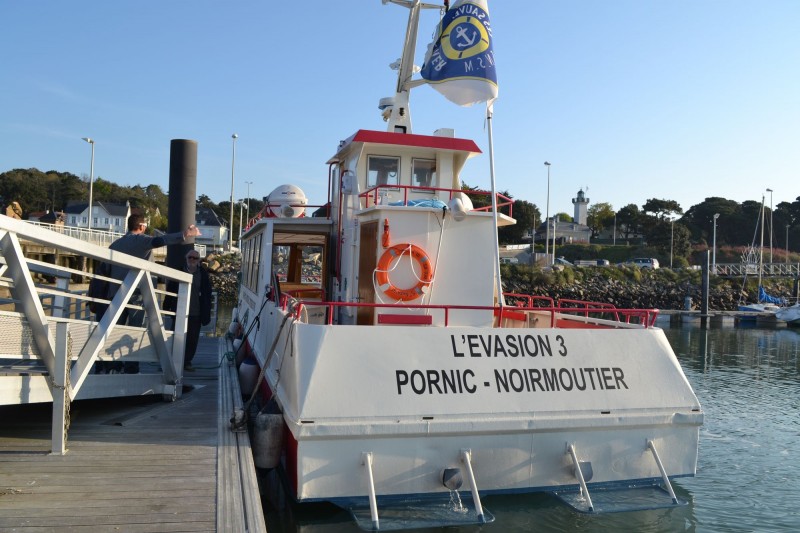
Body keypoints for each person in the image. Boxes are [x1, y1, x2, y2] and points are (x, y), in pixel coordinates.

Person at [93, 214, 201, 373]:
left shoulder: (115, 244)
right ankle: (131, 367)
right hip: (136, 295)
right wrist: (185, 234)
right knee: (135, 331)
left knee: (115, 330)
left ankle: (113, 366)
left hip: (115, 295)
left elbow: (106, 270)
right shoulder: (139, 240)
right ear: (142, 226)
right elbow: (160, 240)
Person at [164, 250, 212, 372]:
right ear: (186, 258)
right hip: (179, 311)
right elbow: (170, 290)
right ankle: (171, 361)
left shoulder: (203, 274)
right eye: (190, 257)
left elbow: (207, 293)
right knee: (175, 337)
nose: (192, 260)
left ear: (198, 260)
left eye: (195, 258)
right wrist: (166, 307)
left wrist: (206, 311)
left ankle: (187, 362)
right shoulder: (179, 271)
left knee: (192, 339)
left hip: (196, 312)